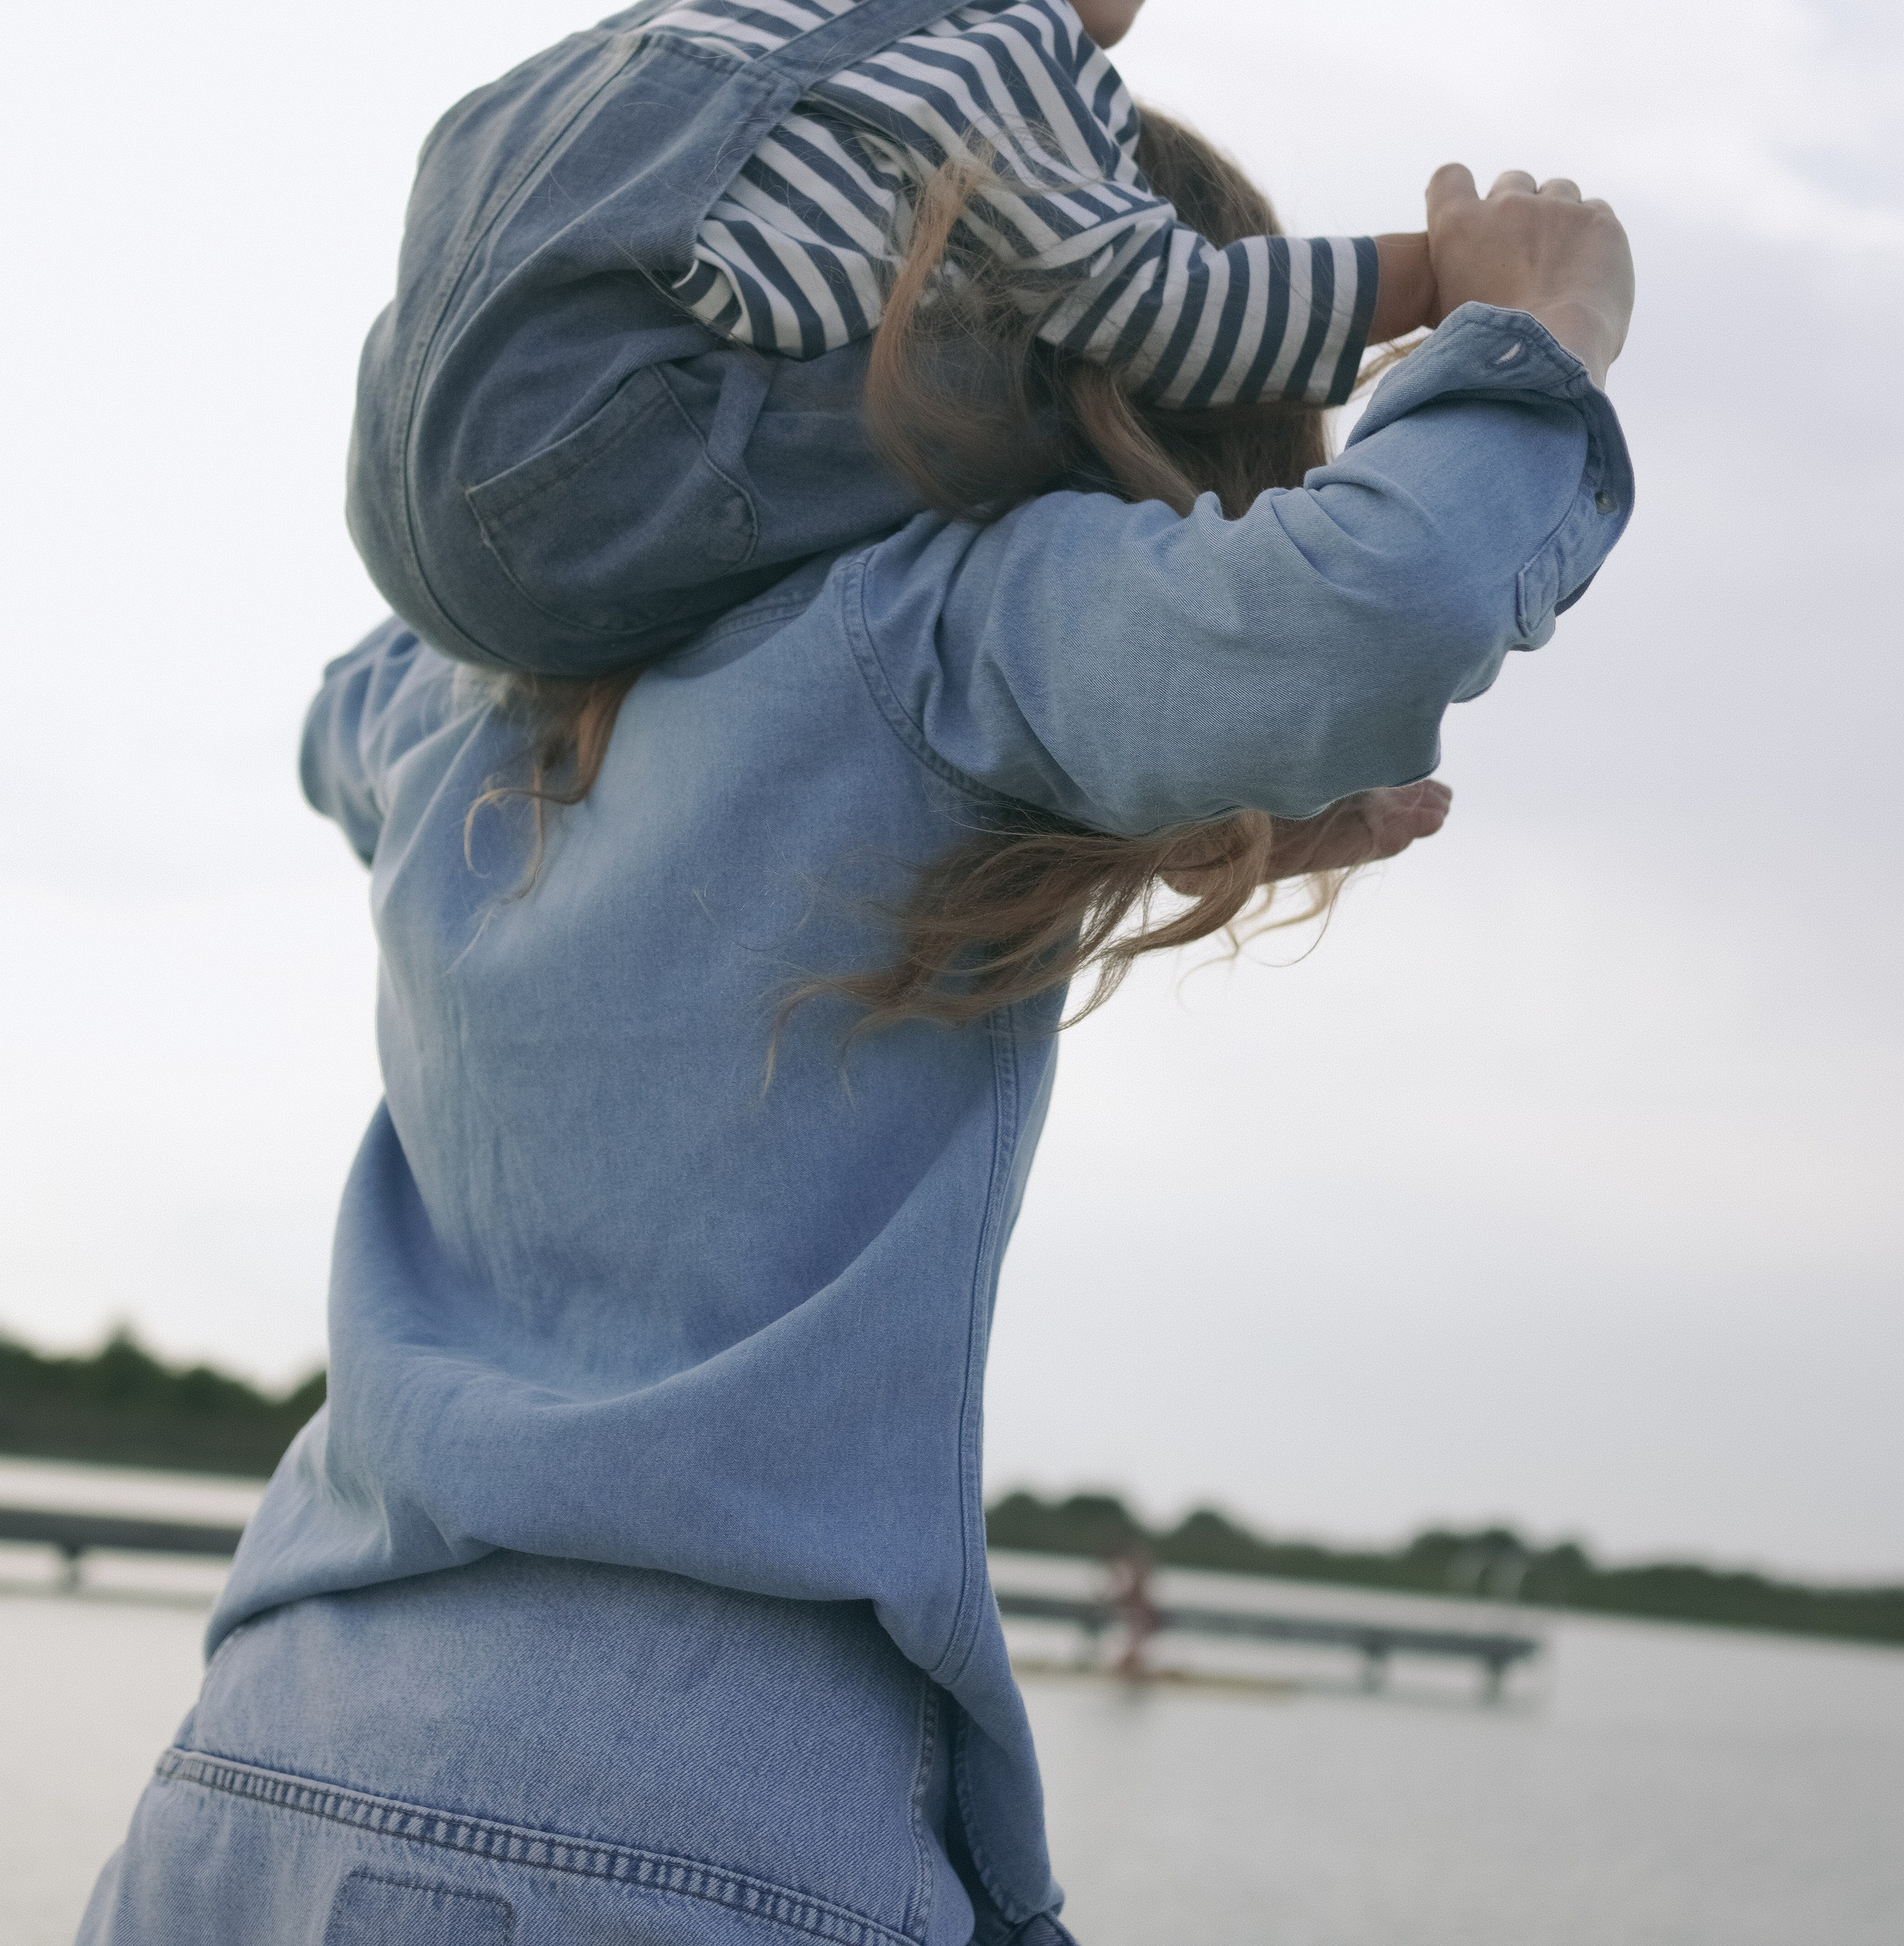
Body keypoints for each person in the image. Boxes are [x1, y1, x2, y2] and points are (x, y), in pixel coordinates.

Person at [79, 122, 1634, 1946]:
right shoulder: (942, 636)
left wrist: (1168, 780)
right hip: (689, 1811)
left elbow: (368, 721)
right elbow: (1384, 596)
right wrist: (1536, 339)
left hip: (253, 1772)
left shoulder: (452, 691)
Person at [347, 0, 1444, 678]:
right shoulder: (992, 35)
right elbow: (1173, 313)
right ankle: (1199, 715)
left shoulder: (668, 22)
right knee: (1080, 371)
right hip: (611, 496)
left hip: (409, 525)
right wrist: (1449, 272)